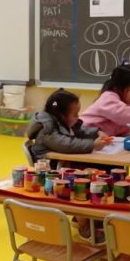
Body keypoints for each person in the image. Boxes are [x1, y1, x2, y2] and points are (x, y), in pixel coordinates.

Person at [28, 89, 113, 241]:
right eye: (75, 114)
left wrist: (97, 132)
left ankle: (90, 215)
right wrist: (92, 145)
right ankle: (84, 223)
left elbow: (78, 132)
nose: (78, 117)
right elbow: (67, 144)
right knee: (86, 180)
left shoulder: (60, 123)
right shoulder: (47, 130)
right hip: (52, 173)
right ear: (61, 115)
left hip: (63, 166)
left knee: (102, 171)